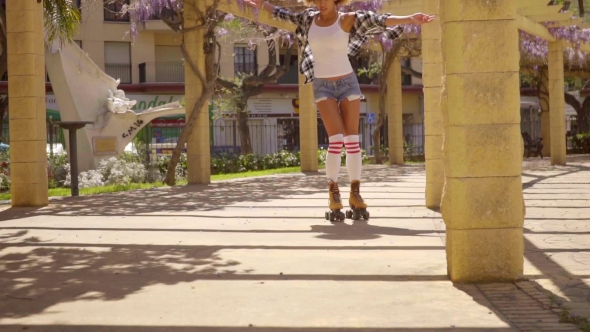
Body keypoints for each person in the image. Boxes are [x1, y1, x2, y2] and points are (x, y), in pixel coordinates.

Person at [245, 0, 434, 221]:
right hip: (322, 85)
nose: (322, 3)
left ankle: (355, 192)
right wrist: (262, 4)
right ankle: (333, 192)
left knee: (352, 140)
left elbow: (380, 21)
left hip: (347, 83)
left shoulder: (347, 19)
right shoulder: (308, 18)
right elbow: (282, 14)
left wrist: (410, 19)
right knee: (336, 140)